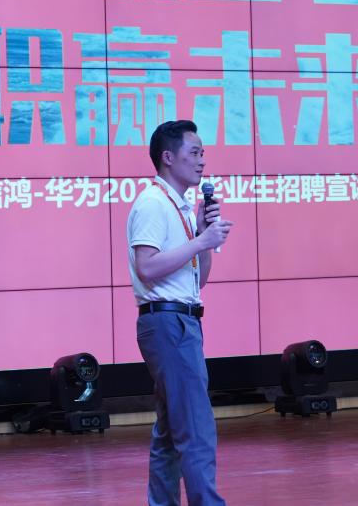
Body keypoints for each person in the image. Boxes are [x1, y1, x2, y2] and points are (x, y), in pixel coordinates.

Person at [127, 119, 232, 506]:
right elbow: (147, 267)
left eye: (203, 153)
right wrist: (201, 241)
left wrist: (203, 235)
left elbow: (200, 278)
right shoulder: (153, 203)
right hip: (167, 322)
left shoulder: (183, 207)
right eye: (195, 152)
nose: (202, 161)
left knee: (171, 431)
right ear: (168, 157)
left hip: (182, 320)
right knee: (196, 428)